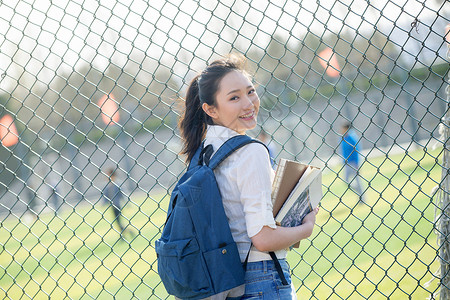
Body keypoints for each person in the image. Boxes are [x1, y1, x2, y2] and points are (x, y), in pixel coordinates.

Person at [178, 53, 319, 299]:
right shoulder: (251, 151)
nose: (248, 103)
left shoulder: (203, 153)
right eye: (234, 97)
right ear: (210, 109)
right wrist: (305, 229)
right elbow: (262, 238)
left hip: (226, 281)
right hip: (262, 277)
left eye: (251, 91)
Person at [340, 122, 365, 203]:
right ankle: (360, 192)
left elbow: (357, 151)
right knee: (346, 181)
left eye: (343, 128)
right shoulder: (343, 137)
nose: (341, 130)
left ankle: (362, 198)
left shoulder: (352, 137)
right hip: (347, 163)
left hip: (354, 163)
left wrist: (357, 163)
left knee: (358, 180)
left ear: (347, 128)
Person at [103, 168, 131, 239]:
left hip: (117, 205)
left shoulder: (117, 184)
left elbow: (123, 194)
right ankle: (127, 232)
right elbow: (106, 196)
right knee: (118, 222)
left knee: (118, 221)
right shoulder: (108, 185)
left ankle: (123, 235)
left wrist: (127, 203)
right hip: (112, 206)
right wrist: (104, 203)